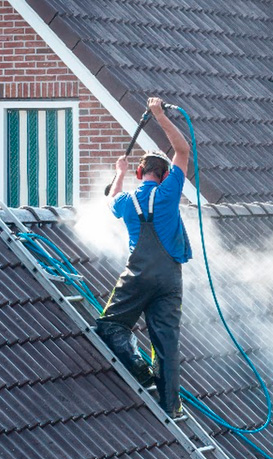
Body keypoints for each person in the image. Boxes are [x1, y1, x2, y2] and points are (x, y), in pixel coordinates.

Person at [96, 97, 192, 418]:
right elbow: (183, 150)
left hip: (137, 276)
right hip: (169, 279)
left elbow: (110, 200)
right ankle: (171, 406)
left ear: (141, 173)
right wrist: (159, 116)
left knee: (111, 325)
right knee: (165, 343)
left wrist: (119, 172)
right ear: (165, 176)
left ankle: (138, 368)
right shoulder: (169, 193)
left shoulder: (126, 200)